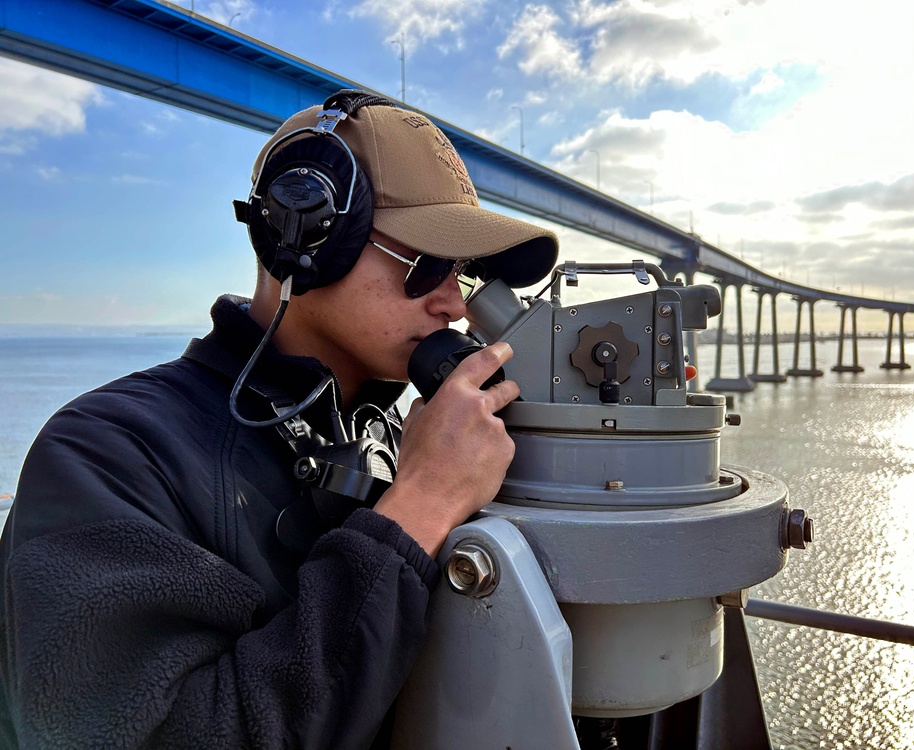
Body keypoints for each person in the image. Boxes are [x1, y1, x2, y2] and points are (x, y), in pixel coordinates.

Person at [0, 91, 558, 748]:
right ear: (304, 237)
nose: (453, 307)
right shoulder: (109, 453)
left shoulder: (392, 440)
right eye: (427, 265)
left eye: (461, 275)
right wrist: (423, 507)